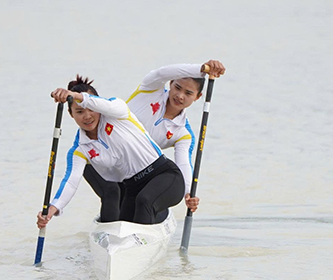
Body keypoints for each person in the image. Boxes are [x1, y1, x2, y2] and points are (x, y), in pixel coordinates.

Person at [35, 76, 185, 229]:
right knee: (120, 224)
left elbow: (105, 105)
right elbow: (71, 182)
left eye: (91, 109)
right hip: (132, 189)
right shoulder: (80, 149)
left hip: (165, 175)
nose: (87, 116)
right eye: (79, 111)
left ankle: (143, 240)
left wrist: (75, 96)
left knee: (145, 200)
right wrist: (50, 210)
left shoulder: (118, 111)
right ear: (71, 114)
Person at [82, 60, 226, 218]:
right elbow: (162, 72)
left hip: (129, 172)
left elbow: (183, 163)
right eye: (177, 87)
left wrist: (188, 193)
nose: (180, 96)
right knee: (112, 193)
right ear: (170, 83)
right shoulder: (150, 90)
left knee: (135, 201)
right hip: (97, 158)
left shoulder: (183, 133)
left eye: (188, 93)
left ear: (197, 97)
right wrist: (202, 69)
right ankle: (107, 229)